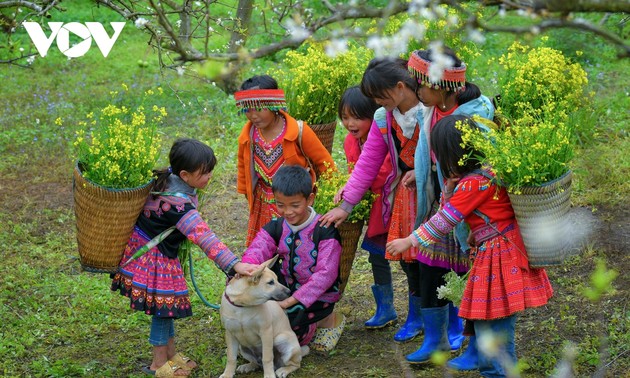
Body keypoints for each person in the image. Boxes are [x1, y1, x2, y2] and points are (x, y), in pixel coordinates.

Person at [386, 115, 554, 377]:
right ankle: (493, 370)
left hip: (500, 256)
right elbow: (492, 211)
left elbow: (445, 219)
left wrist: (410, 240)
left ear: (451, 154)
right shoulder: (489, 171)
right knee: (489, 318)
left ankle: (499, 372)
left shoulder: (474, 182)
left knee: (495, 322)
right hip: (500, 250)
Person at [111, 138, 259, 377]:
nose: (210, 176)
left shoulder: (167, 182)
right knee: (162, 310)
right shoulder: (178, 204)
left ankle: (171, 355)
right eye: (205, 173)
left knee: (166, 308)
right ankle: (159, 364)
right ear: (185, 174)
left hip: (155, 255)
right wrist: (234, 264)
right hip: (153, 261)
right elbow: (204, 237)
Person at [319, 57, 425, 344]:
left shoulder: (429, 111)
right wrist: (346, 204)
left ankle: (443, 320)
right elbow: (365, 166)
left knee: (431, 262)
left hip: (430, 196)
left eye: (380, 96)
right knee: (406, 260)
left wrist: (424, 170)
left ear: (400, 87)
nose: (378, 102)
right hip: (403, 200)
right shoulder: (384, 118)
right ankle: (415, 316)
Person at [405, 45, 496, 366]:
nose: (417, 91)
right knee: (430, 268)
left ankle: (476, 347)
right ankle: (435, 340)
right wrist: (422, 174)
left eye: (422, 85)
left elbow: (480, 168)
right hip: (439, 204)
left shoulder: (476, 116)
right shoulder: (429, 110)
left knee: (474, 280)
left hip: (470, 215)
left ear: (444, 86)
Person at [241, 165, 345, 352]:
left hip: (318, 295)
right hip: (287, 288)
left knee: (283, 326)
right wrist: (247, 269)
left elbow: (325, 275)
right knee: (265, 321)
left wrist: (289, 302)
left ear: (310, 199)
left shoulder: (324, 230)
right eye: (280, 205)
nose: (287, 212)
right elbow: (257, 249)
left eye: (295, 205)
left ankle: (326, 321)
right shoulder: (277, 226)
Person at [235, 75, 335, 247]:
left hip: (294, 204)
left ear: (274, 104)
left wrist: (333, 197)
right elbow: (243, 169)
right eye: (248, 109)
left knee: (294, 248)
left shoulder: (298, 131)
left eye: (259, 108)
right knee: (264, 248)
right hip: (262, 203)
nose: (253, 115)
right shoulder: (248, 136)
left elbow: (324, 163)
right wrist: (247, 193)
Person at [336, 86, 397, 329]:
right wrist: (347, 186)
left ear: (374, 115)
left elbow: (384, 173)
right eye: (344, 117)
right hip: (374, 208)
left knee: (409, 260)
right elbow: (355, 172)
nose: (350, 123)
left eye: (357, 117)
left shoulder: (384, 136)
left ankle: (421, 312)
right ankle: (386, 308)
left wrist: (355, 186)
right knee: (376, 256)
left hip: (393, 203)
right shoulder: (350, 142)